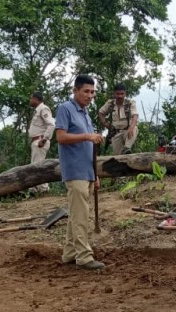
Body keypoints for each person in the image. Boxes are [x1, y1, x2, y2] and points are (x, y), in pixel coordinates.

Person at [55, 75, 105, 270]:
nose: (90, 95)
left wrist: (95, 174)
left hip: (87, 171)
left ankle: (70, 253)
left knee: (77, 214)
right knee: (81, 216)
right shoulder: (65, 109)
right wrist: (86, 136)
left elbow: (89, 149)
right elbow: (60, 137)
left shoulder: (85, 113)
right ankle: (84, 256)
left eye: (92, 92)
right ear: (75, 90)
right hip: (75, 171)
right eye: (86, 91)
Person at [98, 84, 138, 155]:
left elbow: (135, 116)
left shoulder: (130, 103)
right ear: (114, 94)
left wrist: (131, 128)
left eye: (122, 94)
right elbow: (101, 112)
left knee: (134, 128)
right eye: (118, 94)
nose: (120, 96)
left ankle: (127, 148)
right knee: (118, 156)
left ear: (125, 94)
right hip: (115, 132)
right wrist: (105, 124)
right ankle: (124, 154)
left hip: (127, 131)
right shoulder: (110, 103)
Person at [28, 92, 56, 193]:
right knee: (35, 165)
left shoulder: (43, 108)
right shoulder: (38, 110)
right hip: (37, 140)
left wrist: (44, 139)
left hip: (40, 141)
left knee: (38, 166)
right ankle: (35, 189)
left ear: (36, 99)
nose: (30, 101)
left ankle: (43, 189)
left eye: (31, 98)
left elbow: (51, 124)